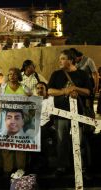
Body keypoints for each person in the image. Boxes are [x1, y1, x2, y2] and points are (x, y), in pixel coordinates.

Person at [48, 49, 91, 177]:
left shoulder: (82, 74)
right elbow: (50, 90)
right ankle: (62, 167)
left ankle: (80, 167)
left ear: (70, 60)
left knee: (79, 141)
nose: (59, 61)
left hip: (78, 114)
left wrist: (76, 88)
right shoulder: (56, 74)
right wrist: (65, 91)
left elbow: (88, 92)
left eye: (62, 58)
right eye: (60, 58)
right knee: (61, 142)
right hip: (61, 114)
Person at [0, 67, 31, 177]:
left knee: (20, 144)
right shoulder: (2, 87)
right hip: (6, 120)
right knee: (7, 145)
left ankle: (20, 169)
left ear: (18, 76)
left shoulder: (24, 88)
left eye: (14, 74)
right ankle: (7, 169)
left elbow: (32, 100)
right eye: (10, 74)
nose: (12, 76)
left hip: (20, 121)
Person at [70, 48, 98, 118]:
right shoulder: (74, 62)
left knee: (88, 106)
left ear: (77, 56)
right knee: (80, 106)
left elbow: (95, 74)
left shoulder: (88, 60)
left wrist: (96, 86)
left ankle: (90, 125)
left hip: (88, 85)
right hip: (79, 87)